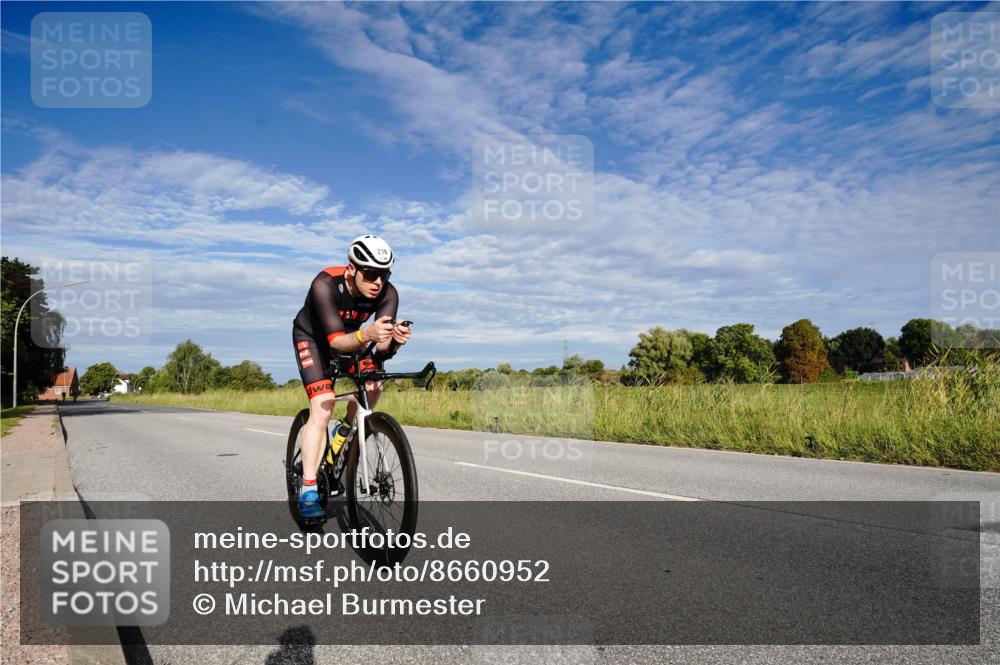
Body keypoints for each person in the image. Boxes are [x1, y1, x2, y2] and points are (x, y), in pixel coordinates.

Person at [291, 234, 412, 518]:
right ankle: (308, 488)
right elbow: (335, 343)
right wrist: (366, 334)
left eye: (384, 274)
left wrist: (394, 340)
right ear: (351, 268)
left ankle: (345, 429)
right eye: (370, 274)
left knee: (373, 385)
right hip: (314, 339)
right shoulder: (324, 284)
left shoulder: (388, 293)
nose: (378, 282)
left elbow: (380, 348)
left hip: (352, 339)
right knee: (323, 406)